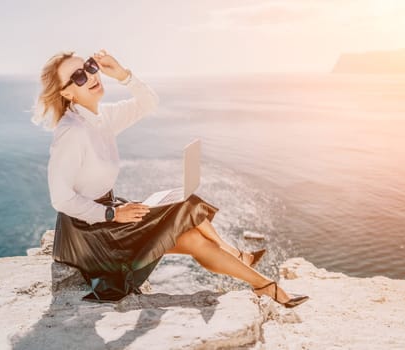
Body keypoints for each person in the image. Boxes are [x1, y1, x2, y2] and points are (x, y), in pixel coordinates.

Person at [31, 48, 309, 308]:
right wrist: (111, 214)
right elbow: (61, 198)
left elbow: (149, 102)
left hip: (110, 217)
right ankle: (249, 266)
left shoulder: (102, 117)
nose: (90, 75)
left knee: (193, 238)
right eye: (78, 76)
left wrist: (123, 75)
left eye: (90, 67)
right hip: (90, 236)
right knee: (187, 207)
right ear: (67, 94)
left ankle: (262, 283)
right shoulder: (72, 133)